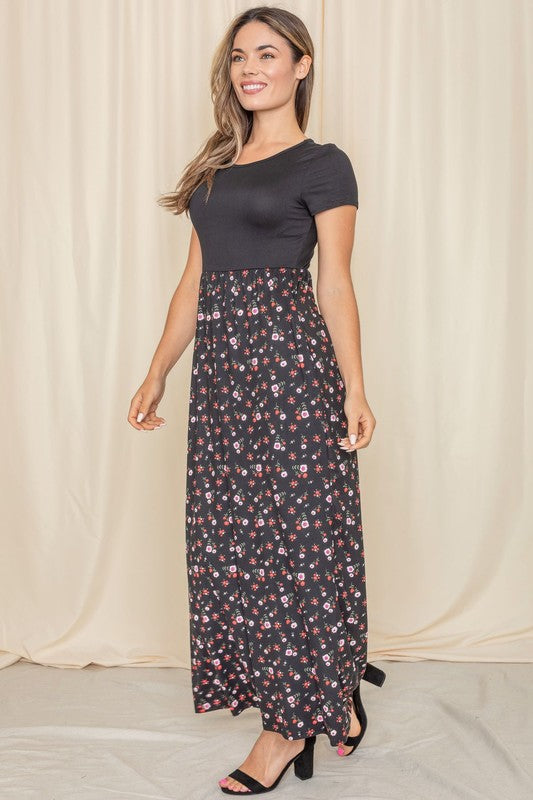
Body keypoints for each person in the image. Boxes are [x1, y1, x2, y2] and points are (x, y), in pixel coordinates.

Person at [128, 5, 386, 795]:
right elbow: (192, 283)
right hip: (222, 384)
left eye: (268, 54)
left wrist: (353, 385)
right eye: (239, 55)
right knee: (233, 546)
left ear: (301, 66)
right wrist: (157, 370)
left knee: (298, 545)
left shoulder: (323, 163)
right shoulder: (215, 170)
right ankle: (327, 693)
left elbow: (333, 280)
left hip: (288, 371)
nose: (250, 67)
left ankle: (282, 731)